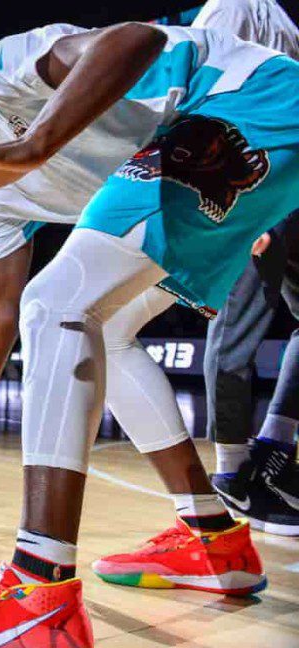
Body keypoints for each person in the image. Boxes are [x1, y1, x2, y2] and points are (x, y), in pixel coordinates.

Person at [0, 14, 298, 648]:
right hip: (230, 151)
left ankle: (37, 597)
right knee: (102, 324)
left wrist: (34, 145)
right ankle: (216, 543)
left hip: (237, 102)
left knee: (61, 303)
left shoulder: (1, 66)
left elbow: (140, 40)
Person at [195, 0, 299, 537]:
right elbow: (211, 99)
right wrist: (238, 202)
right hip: (252, 185)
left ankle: (275, 448)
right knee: (235, 329)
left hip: (290, 187)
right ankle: (232, 472)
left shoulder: (278, 16)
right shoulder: (233, 6)